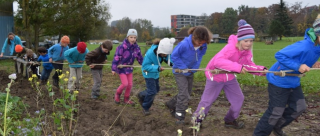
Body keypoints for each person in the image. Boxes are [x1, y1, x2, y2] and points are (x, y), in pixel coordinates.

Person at [192, 19, 267, 129]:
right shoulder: (230, 48)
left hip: (229, 77)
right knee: (207, 101)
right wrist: (238, 67)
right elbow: (218, 62)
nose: (249, 43)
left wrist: (261, 70)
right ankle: (196, 121)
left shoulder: (247, 51)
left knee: (238, 99)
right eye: (246, 41)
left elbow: (248, 65)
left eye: (251, 41)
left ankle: (229, 120)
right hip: (215, 76)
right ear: (240, 40)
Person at [253, 16, 320, 136]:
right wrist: (298, 66)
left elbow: (305, 58)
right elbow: (280, 55)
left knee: (300, 107)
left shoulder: (317, 46)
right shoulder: (305, 45)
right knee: (276, 111)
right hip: (279, 80)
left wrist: (313, 63)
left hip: (293, 81)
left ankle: (277, 127)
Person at [165, 26, 212, 124]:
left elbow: (199, 56)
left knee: (187, 93)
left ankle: (171, 103)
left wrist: (194, 68)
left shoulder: (203, 46)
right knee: (184, 94)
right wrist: (183, 67)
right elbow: (174, 56)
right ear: (194, 37)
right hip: (180, 71)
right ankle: (179, 116)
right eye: (200, 42)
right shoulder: (184, 44)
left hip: (190, 71)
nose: (201, 44)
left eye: (203, 43)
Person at [137, 38, 175, 115]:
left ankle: (141, 95)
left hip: (155, 73)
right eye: (164, 54)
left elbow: (168, 58)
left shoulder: (164, 52)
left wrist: (173, 64)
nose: (165, 55)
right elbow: (145, 66)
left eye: (166, 54)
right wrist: (157, 68)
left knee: (156, 89)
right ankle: (145, 107)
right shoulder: (150, 53)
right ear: (160, 50)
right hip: (147, 72)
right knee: (152, 91)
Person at [112, 28, 143, 105]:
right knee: (125, 84)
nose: (133, 39)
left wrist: (144, 65)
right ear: (127, 37)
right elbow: (116, 57)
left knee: (130, 85)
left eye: (134, 37)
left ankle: (126, 99)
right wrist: (113, 68)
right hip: (121, 68)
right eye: (131, 37)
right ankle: (117, 95)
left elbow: (140, 58)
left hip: (129, 68)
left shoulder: (137, 48)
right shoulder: (122, 47)